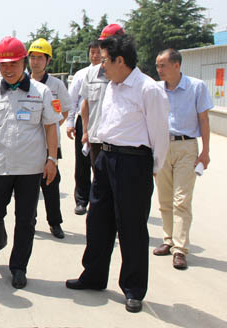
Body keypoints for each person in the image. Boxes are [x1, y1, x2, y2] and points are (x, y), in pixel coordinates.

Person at [66, 34, 169, 314]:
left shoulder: (148, 89)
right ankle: (94, 276)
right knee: (97, 221)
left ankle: (133, 289)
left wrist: (153, 168)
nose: (101, 67)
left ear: (120, 61)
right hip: (105, 157)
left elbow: (160, 135)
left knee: (131, 227)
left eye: (105, 61)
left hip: (133, 163)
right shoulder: (113, 86)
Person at [0, 37, 60, 289]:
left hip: (30, 169)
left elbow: (51, 127)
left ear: (23, 62)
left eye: (13, 63)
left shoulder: (41, 92)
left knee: (26, 220)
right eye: (3, 64)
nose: (8, 69)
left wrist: (52, 159)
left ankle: (19, 267)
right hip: (0, 166)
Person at [154, 48, 212, 270]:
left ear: (176, 65)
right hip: (162, 146)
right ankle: (168, 240)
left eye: (163, 65)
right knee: (164, 198)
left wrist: (205, 151)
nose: (159, 69)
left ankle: (180, 249)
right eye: (157, 65)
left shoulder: (196, 87)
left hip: (186, 147)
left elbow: (204, 119)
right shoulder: (156, 89)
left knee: (182, 200)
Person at [27, 38, 71, 239]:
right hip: (28, 143)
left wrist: (51, 128)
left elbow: (65, 109)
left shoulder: (56, 85)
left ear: (48, 61)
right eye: (32, 57)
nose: (35, 62)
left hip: (49, 145)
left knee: (51, 184)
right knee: (29, 186)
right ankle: (30, 221)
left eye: (40, 58)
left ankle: (55, 223)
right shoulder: (22, 82)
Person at [80, 25, 124, 169]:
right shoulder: (91, 73)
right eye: (103, 44)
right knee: (98, 178)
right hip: (96, 139)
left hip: (120, 142)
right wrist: (85, 131)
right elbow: (85, 104)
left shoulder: (131, 76)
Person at [66, 40, 100, 215]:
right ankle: (81, 200)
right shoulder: (82, 74)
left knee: (100, 164)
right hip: (83, 122)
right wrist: (70, 123)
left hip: (101, 122)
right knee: (82, 163)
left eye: (98, 52)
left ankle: (98, 200)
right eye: (92, 52)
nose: (95, 55)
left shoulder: (109, 74)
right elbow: (72, 100)